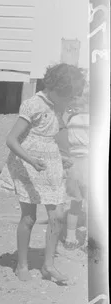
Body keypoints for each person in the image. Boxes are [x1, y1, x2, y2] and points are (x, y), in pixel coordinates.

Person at [0, 63, 85, 283]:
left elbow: (51, 136)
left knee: (56, 216)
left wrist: (61, 158)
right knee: (29, 217)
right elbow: (11, 139)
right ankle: (22, 264)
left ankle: (48, 266)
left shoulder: (58, 106)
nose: (67, 101)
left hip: (50, 165)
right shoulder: (32, 105)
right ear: (55, 88)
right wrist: (31, 160)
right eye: (66, 96)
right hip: (29, 166)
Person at [62, 87, 89, 250]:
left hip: (73, 162)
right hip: (89, 161)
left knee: (75, 202)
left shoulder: (71, 121)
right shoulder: (94, 120)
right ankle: (88, 242)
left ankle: (70, 238)